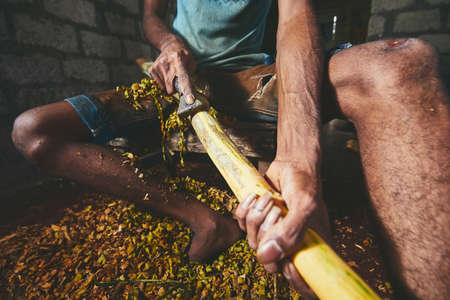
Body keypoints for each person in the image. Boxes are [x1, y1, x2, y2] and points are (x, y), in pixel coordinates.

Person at [11, 0, 449, 299]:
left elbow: (296, 16)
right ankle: (206, 220)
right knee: (33, 130)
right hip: (174, 78)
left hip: (252, 77)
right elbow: (153, 18)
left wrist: (298, 156)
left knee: (400, 64)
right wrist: (170, 46)